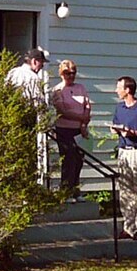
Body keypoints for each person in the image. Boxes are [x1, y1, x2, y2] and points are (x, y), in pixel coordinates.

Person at [111, 75, 137, 241]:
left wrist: (131, 132)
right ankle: (128, 227)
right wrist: (116, 130)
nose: (116, 90)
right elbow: (115, 125)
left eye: (119, 87)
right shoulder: (119, 108)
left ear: (127, 90)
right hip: (123, 151)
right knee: (125, 190)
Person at [6, 47, 50, 183]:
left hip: (10, 116)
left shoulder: (12, 73)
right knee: (27, 154)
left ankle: (13, 184)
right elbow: (39, 102)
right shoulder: (33, 77)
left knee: (13, 151)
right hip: (27, 118)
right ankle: (26, 185)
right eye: (41, 63)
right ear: (35, 61)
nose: (42, 66)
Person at [50, 58, 91, 196]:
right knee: (68, 160)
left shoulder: (81, 88)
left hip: (80, 129)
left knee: (79, 160)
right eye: (68, 73)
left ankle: (76, 189)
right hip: (64, 130)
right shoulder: (58, 90)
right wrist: (81, 118)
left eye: (73, 73)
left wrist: (84, 124)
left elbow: (87, 105)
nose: (71, 76)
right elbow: (62, 111)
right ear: (61, 74)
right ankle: (66, 191)